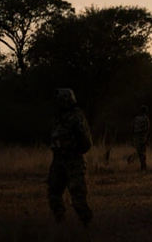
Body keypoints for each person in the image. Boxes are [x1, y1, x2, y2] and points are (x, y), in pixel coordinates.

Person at [48, 88, 94, 226]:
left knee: (78, 195)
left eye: (61, 100)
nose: (58, 103)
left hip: (73, 160)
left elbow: (86, 141)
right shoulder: (60, 117)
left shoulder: (76, 116)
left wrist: (74, 151)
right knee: (53, 191)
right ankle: (60, 221)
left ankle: (87, 224)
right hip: (58, 160)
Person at [131, 105, 152, 170]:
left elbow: (132, 127)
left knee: (139, 151)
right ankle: (143, 165)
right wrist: (148, 138)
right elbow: (148, 129)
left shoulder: (136, 118)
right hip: (143, 137)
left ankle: (142, 165)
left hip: (137, 137)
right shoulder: (146, 119)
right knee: (143, 151)